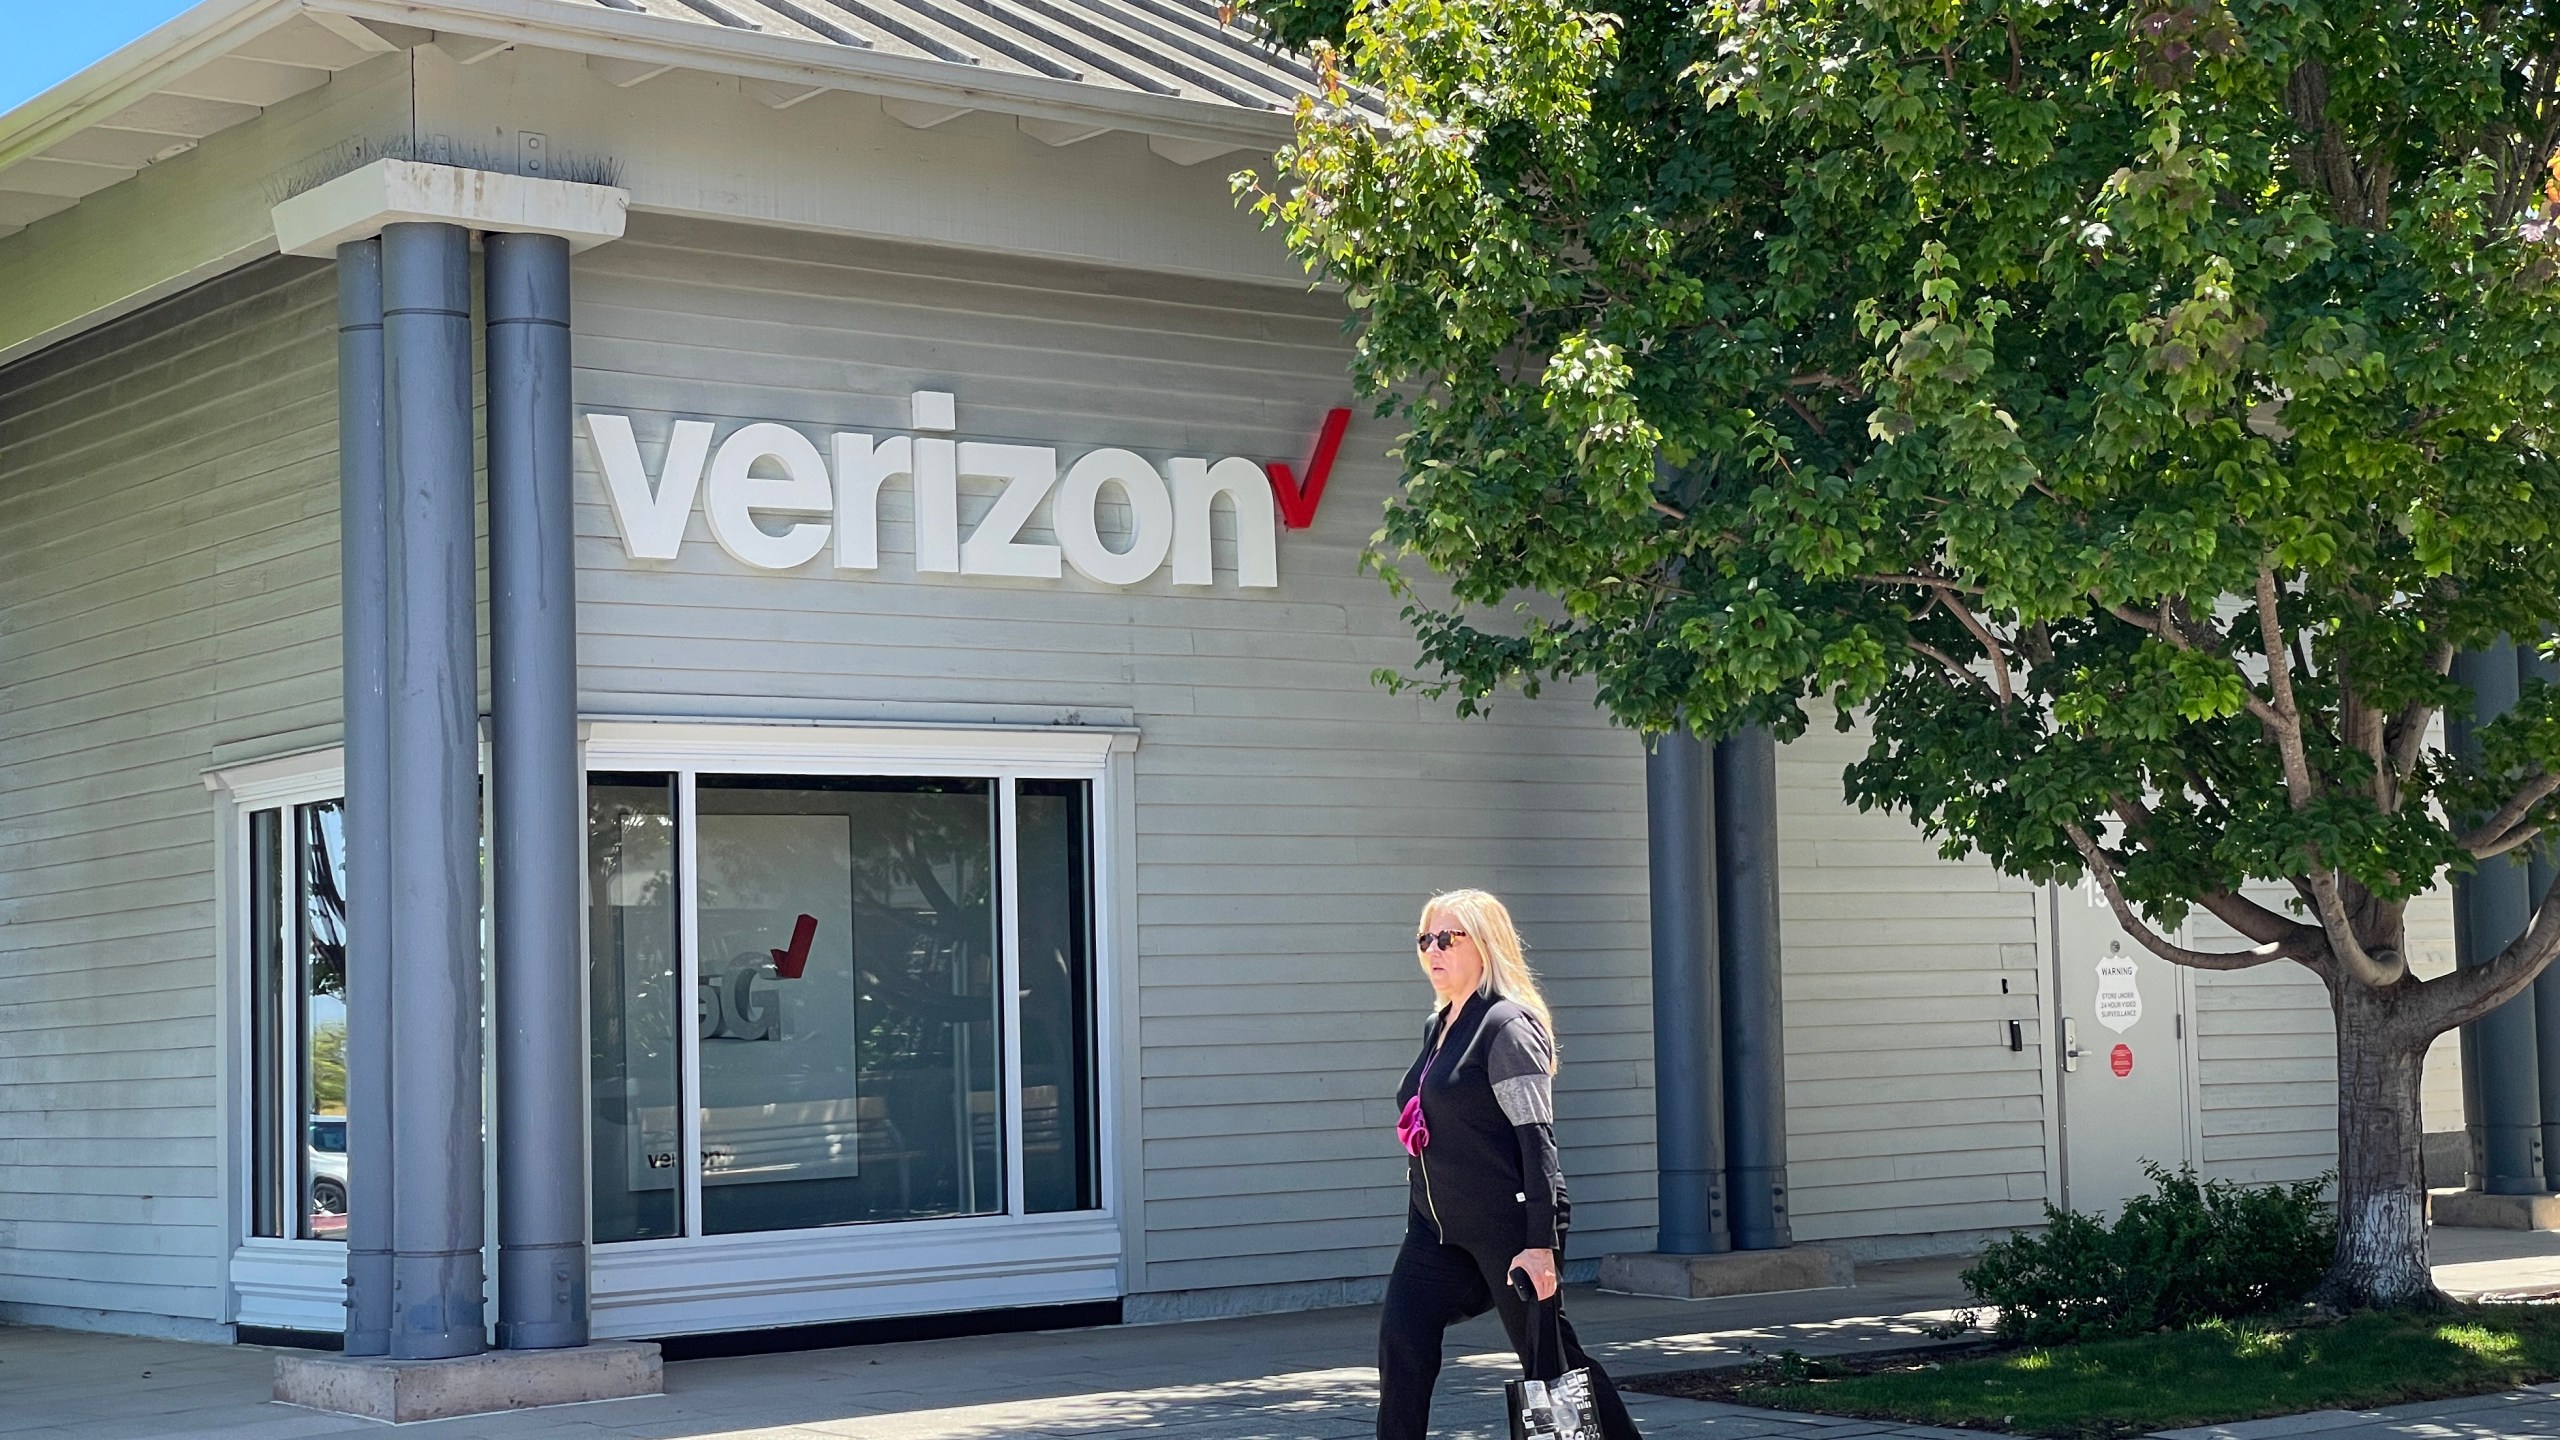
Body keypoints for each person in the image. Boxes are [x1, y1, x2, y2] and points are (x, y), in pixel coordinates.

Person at [1377, 888, 1641, 1440]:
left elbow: (1537, 1142)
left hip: (1509, 1227)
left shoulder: (1506, 1027)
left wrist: (1540, 1242)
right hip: (1436, 1231)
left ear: (1485, 944)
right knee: (1402, 1343)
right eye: (1425, 939)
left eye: (1448, 937)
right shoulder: (1438, 1026)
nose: (1433, 950)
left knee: (1552, 1364)